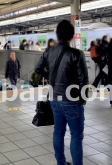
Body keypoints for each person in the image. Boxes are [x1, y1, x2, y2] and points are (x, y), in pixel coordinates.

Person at [35, 20, 88, 165]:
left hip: (54, 99)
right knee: (76, 136)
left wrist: (51, 75)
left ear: (57, 35)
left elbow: (38, 69)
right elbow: (83, 79)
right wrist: (83, 99)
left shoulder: (48, 51)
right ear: (71, 35)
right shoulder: (77, 53)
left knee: (58, 132)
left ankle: (61, 163)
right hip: (72, 100)